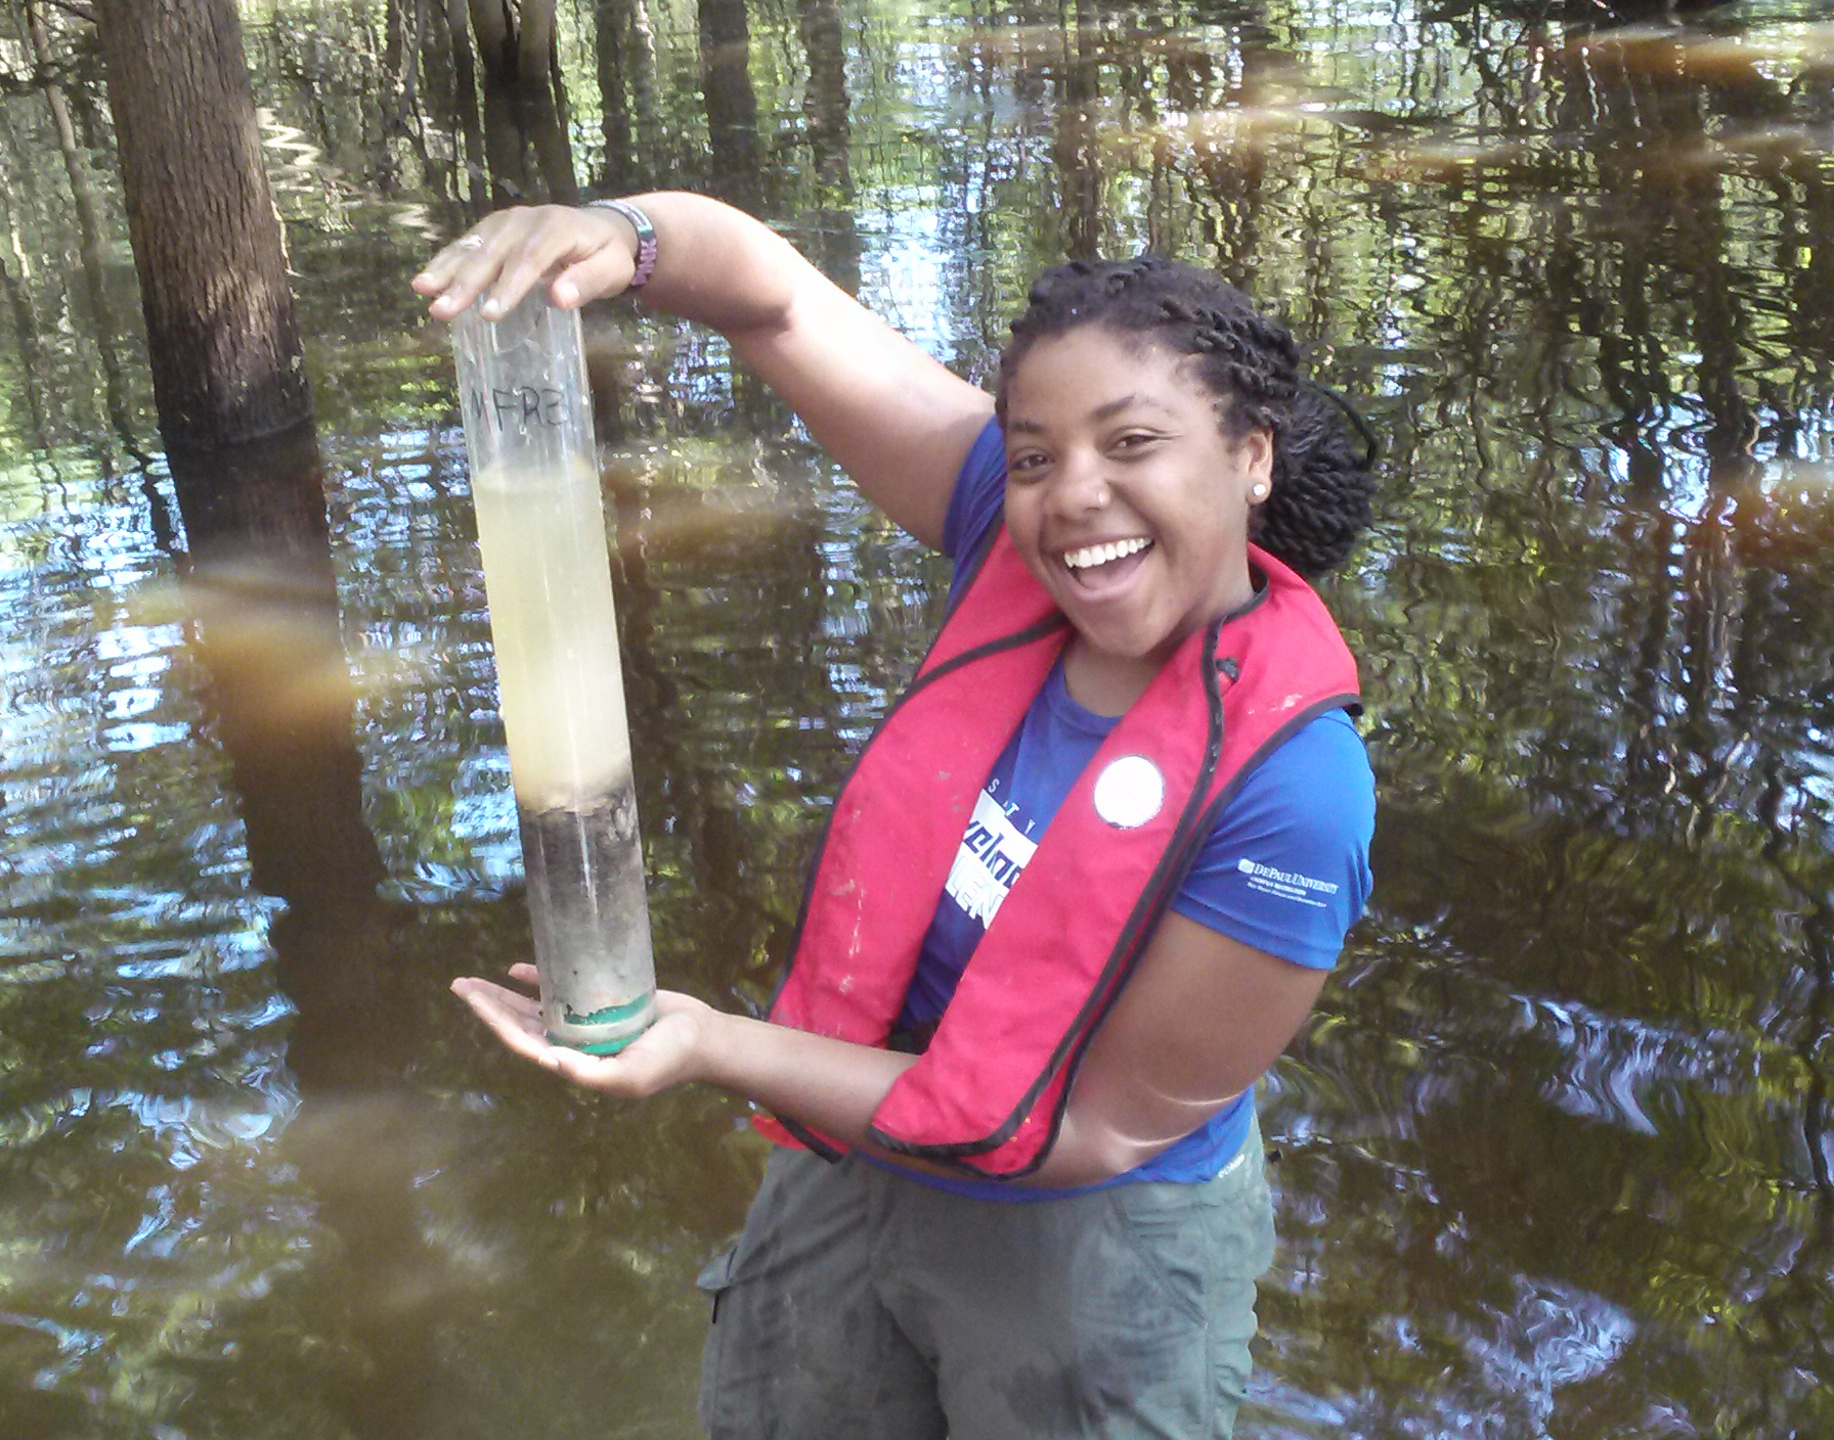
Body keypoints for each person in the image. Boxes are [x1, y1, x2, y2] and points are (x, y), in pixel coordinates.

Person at [415, 193, 1377, 1440]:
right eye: (1034, 454)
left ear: (1251, 455)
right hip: (854, 1162)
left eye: (1133, 443)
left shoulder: (1297, 792)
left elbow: (1089, 1129)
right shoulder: (1005, 531)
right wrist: (623, 237)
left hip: (1089, 1247)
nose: (1074, 495)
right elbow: (775, 299)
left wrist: (707, 1045)